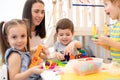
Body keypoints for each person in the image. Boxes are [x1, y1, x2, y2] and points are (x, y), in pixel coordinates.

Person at [93, 0, 120, 66]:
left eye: (106, 4)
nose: (104, 9)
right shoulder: (115, 25)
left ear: (117, 2)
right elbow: (112, 47)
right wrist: (103, 42)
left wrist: (109, 42)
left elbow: (113, 44)